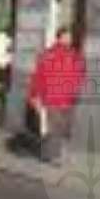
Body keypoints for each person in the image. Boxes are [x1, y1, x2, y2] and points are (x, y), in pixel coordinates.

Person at [26, 27, 87, 162]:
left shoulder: (73, 55)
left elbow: (80, 73)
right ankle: (52, 155)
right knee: (54, 127)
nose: (69, 39)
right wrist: (34, 95)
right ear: (59, 37)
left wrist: (76, 89)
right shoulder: (50, 55)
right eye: (66, 37)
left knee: (62, 128)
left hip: (64, 97)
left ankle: (58, 153)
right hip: (54, 97)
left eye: (70, 37)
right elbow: (38, 76)